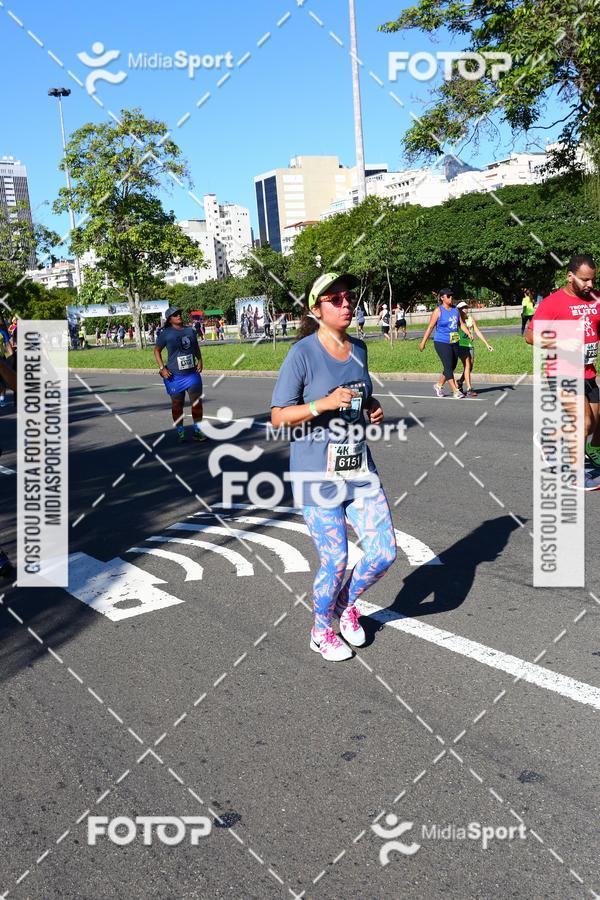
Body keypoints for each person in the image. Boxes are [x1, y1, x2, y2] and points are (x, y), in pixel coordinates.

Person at [271, 272, 397, 663]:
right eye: (335, 299)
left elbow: (363, 396)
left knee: (384, 552)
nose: (346, 305)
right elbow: (277, 417)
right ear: (316, 308)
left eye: (348, 298)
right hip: (316, 475)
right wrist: (321, 405)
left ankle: (343, 605)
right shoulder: (302, 354)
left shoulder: (359, 347)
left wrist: (374, 409)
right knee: (336, 559)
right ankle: (320, 629)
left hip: (359, 469)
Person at [526, 255, 600, 490]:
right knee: (584, 422)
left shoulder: (596, 299)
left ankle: (550, 440)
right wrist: (561, 343)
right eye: (584, 280)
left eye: (593, 280)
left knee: (595, 423)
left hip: (588, 372)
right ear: (570, 276)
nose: (589, 285)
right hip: (562, 371)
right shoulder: (553, 303)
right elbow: (530, 336)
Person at [154, 307, 206, 442]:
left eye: (179, 314)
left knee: (197, 403)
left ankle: (198, 431)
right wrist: (162, 368)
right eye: (175, 315)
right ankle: (181, 432)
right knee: (177, 404)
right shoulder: (166, 333)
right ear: (169, 319)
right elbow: (156, 350)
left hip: (191, 373)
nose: (179, 316)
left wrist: (200, 360)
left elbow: (195, 347)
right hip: (174, 376)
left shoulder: (190, 330)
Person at [420, 288, 472, 398]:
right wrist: (423, 342)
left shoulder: (455, 310)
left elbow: (461, 324)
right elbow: (430, 327)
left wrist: (468, 332)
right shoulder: (438, 311)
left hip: (454, 341)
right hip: (441, 342)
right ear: (442, 298)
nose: (450, 298)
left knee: (452, 365)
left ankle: (439, 385)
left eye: (451, 296)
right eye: (448, 296)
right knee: (448, 366)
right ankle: (455, 391)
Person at [455, 300, 494, 397]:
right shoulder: (456, 319)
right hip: (460, 345)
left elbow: (477, 331)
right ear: (458, 309)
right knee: (467, 365)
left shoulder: (470, 319)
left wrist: (487, 344)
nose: (465, 309)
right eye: (463, 308)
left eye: (466, 307)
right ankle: (469, 388)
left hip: (470, 345)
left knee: (470, 366)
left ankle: (460, 382)